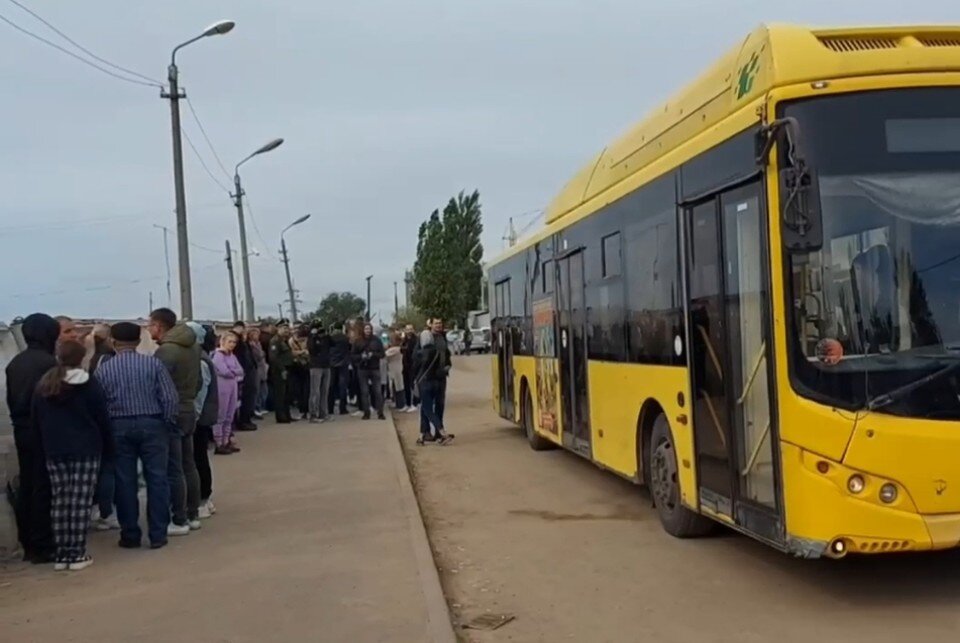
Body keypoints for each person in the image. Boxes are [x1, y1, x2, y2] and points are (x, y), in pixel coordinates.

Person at [96, 322, 180, 549]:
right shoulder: (153, 364)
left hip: (118, 426)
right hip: (152, 423)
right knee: (157, 479)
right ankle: (158, 534)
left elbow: (99, 403)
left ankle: (130, 534)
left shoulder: (104, 369)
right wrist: (167, 422)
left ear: (113, 341)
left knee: (125, 481)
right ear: (137, 341)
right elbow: (170, 398)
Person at [32, 340, 113, 571]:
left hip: (54, 449)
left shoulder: (45, 384)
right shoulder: (89, 384)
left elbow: (35, 419)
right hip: (85, 448)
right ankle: (76, 552)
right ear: (82, 357)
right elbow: (101, 418)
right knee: (80, 501)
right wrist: (109, 447)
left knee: (60, 500)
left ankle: (61, 553)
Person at [6, 313, 59, 563]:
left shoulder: (15, 363)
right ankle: (43, 544)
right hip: (43, 430)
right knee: (43, 487)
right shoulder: (49, 363)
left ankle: (28, 541)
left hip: (21, 430)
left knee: (28, 484)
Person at [148, 308, 201, 532]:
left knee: (173, 467)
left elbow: (156, 386)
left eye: (150, 324)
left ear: (159, 326)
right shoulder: (193, 347)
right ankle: (192, 513)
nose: (149, 329)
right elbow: (198, 381)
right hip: (189, 407)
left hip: (172, 411)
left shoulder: (166, 352)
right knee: (189, 464)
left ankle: (178, 518)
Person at [87, 323, 119, 532]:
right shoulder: (107, 359)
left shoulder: (88, 358)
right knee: (108, 467)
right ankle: (105, 512)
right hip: (107, 417)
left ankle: (96, 508)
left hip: (91, 419)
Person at [189, 323, 219, 517]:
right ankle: (204, 498)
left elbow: (199, 394)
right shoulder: (199, 358)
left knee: (198, 458)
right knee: (199, 457)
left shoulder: (200, 360)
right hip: (200, 417)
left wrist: (194, 417)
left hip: (199, 418)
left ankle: (203, 499)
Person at [415, 319, 454, 445]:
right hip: (432, 379)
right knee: (427, 407)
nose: (438, 326)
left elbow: (447, 357)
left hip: (432, 379)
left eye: (440, 323)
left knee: (430, 407)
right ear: (430, 325)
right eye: (436, 323)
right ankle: (428, 433)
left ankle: (435, 433)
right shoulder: (431, 347)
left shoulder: (441, 340)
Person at [212, 331, 244, 455]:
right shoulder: (218, 355)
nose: (232, 344)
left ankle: (226, 441)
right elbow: (224, 371)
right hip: (222, 387)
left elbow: (240, 370)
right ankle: (219, 443)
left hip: (233, 386)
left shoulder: (232, 356)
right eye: (229, 342)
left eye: (234, 342)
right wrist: (233, 372)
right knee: (221, 415)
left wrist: (233, 371)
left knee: (230, 415)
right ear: (223, 342)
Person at [353, 323, 385, 420]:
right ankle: (366, 413)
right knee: (364, 392)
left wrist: (373, 354)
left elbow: (382, 354)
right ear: (363, 330)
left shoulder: (377, 340)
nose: (367, 330)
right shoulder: (358, 341)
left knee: (378, 392)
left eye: (369, 329)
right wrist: (361, 357)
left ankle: (380, 413)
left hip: (374, 368)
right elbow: (353, 355)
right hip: (363, 368)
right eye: (366, 329)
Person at [231, 321, 259, 432]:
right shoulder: (235, 340)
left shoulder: (244, 341)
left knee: (249, 396)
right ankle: (242, 421)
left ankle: (246, 419)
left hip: (249, 371)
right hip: (242, 372)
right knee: (243, 398)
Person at [268, 320, 294, 423]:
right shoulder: (275, 341)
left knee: (287, 394)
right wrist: (282, 370)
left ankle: (287, 414)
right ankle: (280, 416)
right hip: (279, 370)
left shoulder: (284, 340)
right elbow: (273, 358)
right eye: (284, 328)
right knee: (280, 394)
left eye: (287, 328)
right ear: (278, 329)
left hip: (288, 369)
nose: (286, 330)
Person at [307, 321, 332, 423]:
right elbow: (312, 349)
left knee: (324, 391)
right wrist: (313, 335)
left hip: (326, 365)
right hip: (316, 366)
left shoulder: (325, 338)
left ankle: (323, 413)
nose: (319, 329)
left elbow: (333, 343)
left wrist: (327, 334)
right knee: (315, 391)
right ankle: (313, 414)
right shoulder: (311, 338)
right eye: (317, 328)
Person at [328, 322, 351, 416]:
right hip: (343, 364)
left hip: (331, 364)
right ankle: (343, 408)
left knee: (331, 386)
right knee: (343, 387)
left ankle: (330, 408)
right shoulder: (345, 338)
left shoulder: (329, 338)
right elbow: (349, 349)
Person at [289, 325, 311, 420]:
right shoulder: (291, 341)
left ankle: (305, 410)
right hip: (296, 367)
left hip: (306, 366)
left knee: (306, 389)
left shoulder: (308, 340)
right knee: (298, 390)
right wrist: (302, 352)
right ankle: (302, 409)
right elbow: (291, 353)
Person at [247, 327, 268, 417]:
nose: (257, 336)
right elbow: (259, 355)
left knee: (264, 390)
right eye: (255, 334)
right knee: (257, 389)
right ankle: (256, 408)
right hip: (256, 369)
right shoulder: (251, 345)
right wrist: (262, 354)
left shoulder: (258, 343)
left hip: (263, 368)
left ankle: (261, 406)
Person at [385, 332, 408, 410]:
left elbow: (384, 355)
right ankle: (397, 403)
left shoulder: (395, 349)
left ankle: (401, 404)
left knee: (398, 388)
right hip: (395, 369)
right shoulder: (399, 348)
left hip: (396, 370)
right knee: (395, 387)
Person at [401, 324, 419, 413]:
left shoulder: (415, 340)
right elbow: (402, 350)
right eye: (407, 329)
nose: (409, 331)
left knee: (413, 385)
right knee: (406, 385)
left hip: (413, 366)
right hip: (405, 366)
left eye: (410, 329)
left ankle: (415, 404)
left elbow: (414, 352)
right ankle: (407, 403)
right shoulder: (404, 340)